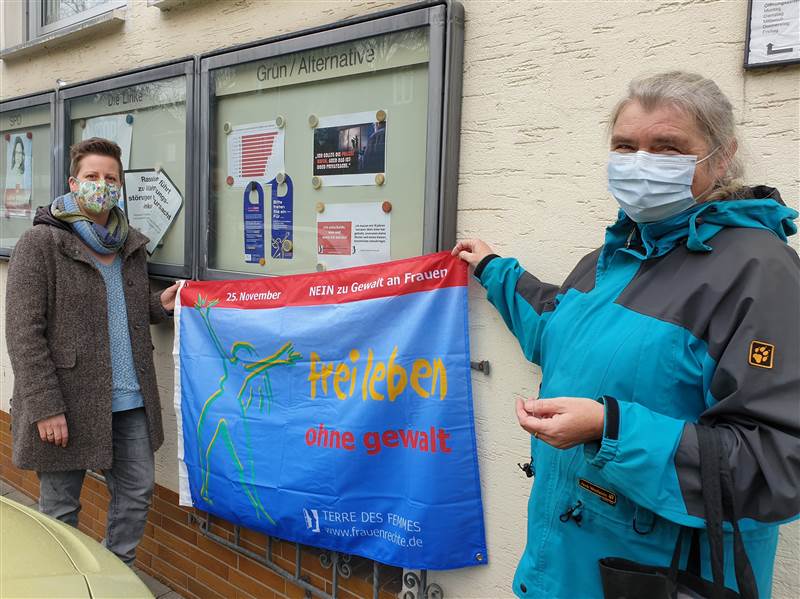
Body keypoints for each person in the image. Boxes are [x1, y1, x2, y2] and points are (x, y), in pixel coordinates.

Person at [453, 72, 799, 598]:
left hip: (660, 576)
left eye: (667, 148)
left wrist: (610, 428)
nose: (641, 163)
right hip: (563, 567)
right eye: (625, 146)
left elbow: (776, 466)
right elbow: (556, 325)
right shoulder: (613, 255)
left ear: (721, 158)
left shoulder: (759, 271)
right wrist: (493, 269)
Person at [5, 137, 179, 566]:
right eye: (92, 177)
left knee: (136, 492)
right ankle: (64, 586)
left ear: (120, 185)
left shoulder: (128, 246)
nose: (102, 185)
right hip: (67, 402)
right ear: (72, 183)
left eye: (111, 178)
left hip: (130, 400)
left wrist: (161, 305)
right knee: (62, 510)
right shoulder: (41, 244)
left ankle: (115, 578)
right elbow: (24, 333)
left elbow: (127, 310)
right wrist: (45, 407)